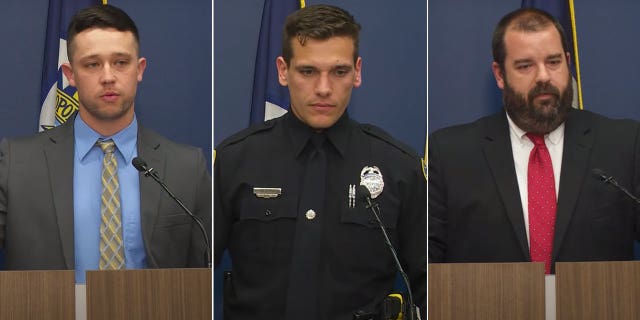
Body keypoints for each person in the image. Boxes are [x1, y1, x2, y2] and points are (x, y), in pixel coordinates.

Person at [215, 4, 426, 319]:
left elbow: (429, 287)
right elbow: (196, 276)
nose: (324, 88)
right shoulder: (236, 160)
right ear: (283, 71)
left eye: (339, 71)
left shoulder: (398, 168)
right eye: (308, 71)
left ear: (357, 72)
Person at [0, 4, 211, 283]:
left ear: (140, 69)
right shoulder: (16, 163)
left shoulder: (186, 168)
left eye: (121, 62)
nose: (108, 76)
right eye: (92, 64)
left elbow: (201, 274)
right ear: (70, 74)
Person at [428, 7, 640, 273]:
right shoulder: (451, 155)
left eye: (553, 62)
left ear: (568, 61)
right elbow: (426, 271)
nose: (543, 76)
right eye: (525, 65)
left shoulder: (623, 145)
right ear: (499, 74)